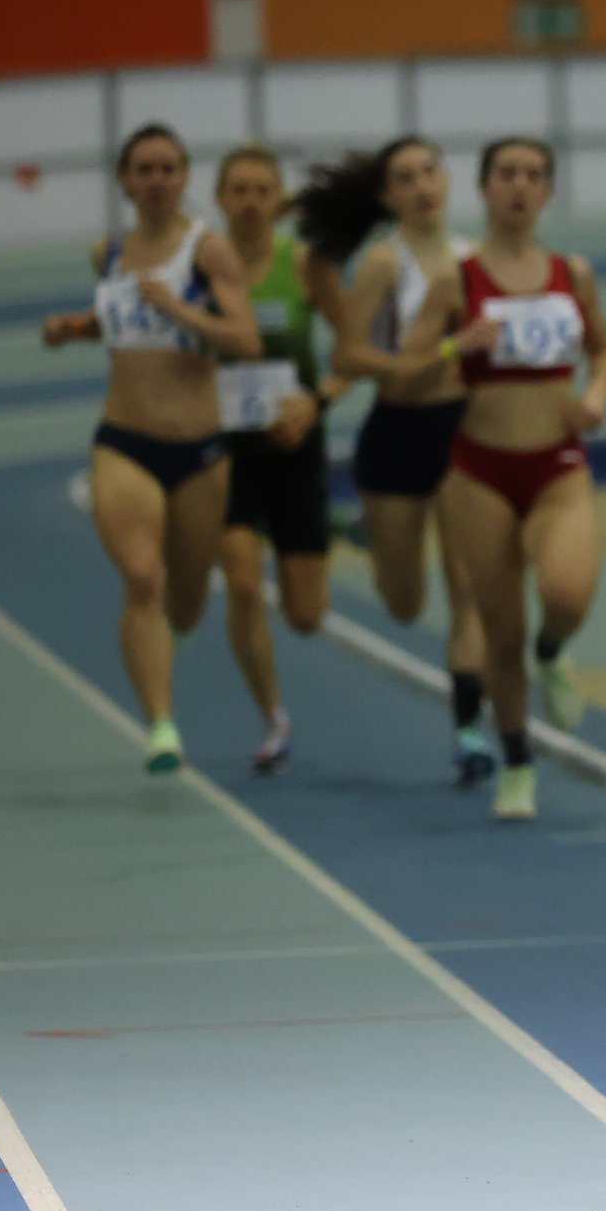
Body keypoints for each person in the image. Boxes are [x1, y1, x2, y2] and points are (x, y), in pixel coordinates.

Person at [402, 137, 606, 822]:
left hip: (556, 465)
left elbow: (603, 351)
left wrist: (596, 395)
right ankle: (518, 760)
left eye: (532, 175)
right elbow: (404, 375)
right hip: (479, 471)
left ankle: (553, 651)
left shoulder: (572, 273)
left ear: (546, 191)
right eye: (507, 174)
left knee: (566, 594)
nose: (519, 185)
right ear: (485, 187)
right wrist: (452, 346)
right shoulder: (456, 281)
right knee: (499, 629)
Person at [41, 124, 263, 772]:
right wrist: (73, 330)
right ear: (125, 181)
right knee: (142, 576)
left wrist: (179, 308)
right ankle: (161, 726)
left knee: (187, 600)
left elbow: (246, 341)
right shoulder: (109, 252)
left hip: (199, 450)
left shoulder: (209, 251)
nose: (157, 180)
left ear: (185, 177)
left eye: (168, 168)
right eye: (144, 169)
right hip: (124, 440)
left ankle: (169, 644)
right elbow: (124, 327)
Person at [296, 138, 495, 783]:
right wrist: (429, 357)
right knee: (405, 603)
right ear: (388, 197)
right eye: (405, 179)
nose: (422, 187)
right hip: (397, 435)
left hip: (461, 431)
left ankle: (469, 733)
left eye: (430, 172)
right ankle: (363, 533)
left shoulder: (475, 257)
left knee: (468, 587)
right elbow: (346, 356)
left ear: (447, 180)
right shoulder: (384, 263)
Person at [208, 145, 347, 773]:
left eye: (262, 190)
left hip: (294, 444)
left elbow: (357, 348)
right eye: (238, 190)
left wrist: (318, 401)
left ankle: (335, 528)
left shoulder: (305, 266)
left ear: (279, 201)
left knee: (305, 616)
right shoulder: (200, 267)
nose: (250, 202)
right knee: (242, 583)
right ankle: (274, 718)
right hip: (225, 448)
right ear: (220, 198)